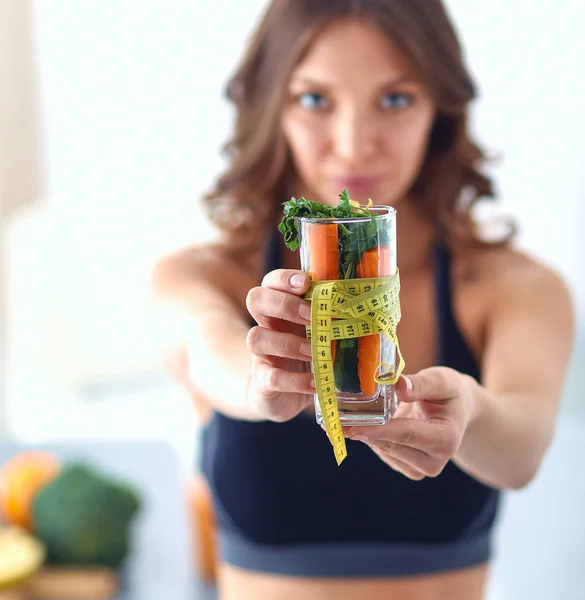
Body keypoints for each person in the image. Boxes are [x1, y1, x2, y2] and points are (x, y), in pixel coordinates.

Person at [151, 1, 575, 598]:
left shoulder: (515, 288)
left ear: (440, 109)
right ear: (273, 104)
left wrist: (472, 411)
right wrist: (258, 382)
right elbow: (201, 345)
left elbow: (522, 450)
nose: (353, 147)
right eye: (315, 100)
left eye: (395, 99)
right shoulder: (204, 275)